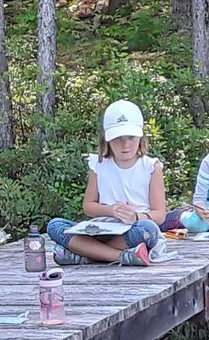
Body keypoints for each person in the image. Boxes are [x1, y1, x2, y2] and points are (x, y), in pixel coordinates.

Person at [47, 100, 166, 266]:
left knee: (147, 229)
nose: (125, 145)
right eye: (118, 139)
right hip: (102, 228)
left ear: (140, 137)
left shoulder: (151, 167)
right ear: (107, 140)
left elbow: (159, 215)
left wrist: (136, 216)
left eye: (131, 138)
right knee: (55, 225)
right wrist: (111, 211)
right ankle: (121, 256)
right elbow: (89, 206)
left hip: (133, 231)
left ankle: (86, 254)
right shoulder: (98, 164)